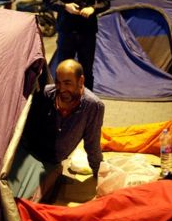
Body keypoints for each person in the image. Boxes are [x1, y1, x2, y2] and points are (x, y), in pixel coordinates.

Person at [8, 59, 105, 203]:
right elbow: (25, 130)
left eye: (67, 83)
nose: (61, 88)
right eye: (58, 82)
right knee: (6, 194)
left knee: (27, 202)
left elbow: (92, 145)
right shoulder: (46, 95)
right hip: (29, 153)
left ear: (81, 81)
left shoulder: (93, 107)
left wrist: (100, 175)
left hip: (52, 162)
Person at [44, 0, 109, 90]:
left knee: (86, 71)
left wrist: (93, 8)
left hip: (87, 33)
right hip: (66, 31)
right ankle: (61, 102)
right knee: (63, 70)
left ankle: (87, 104)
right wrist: (64, 6)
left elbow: (106, 1)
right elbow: (47, 0)